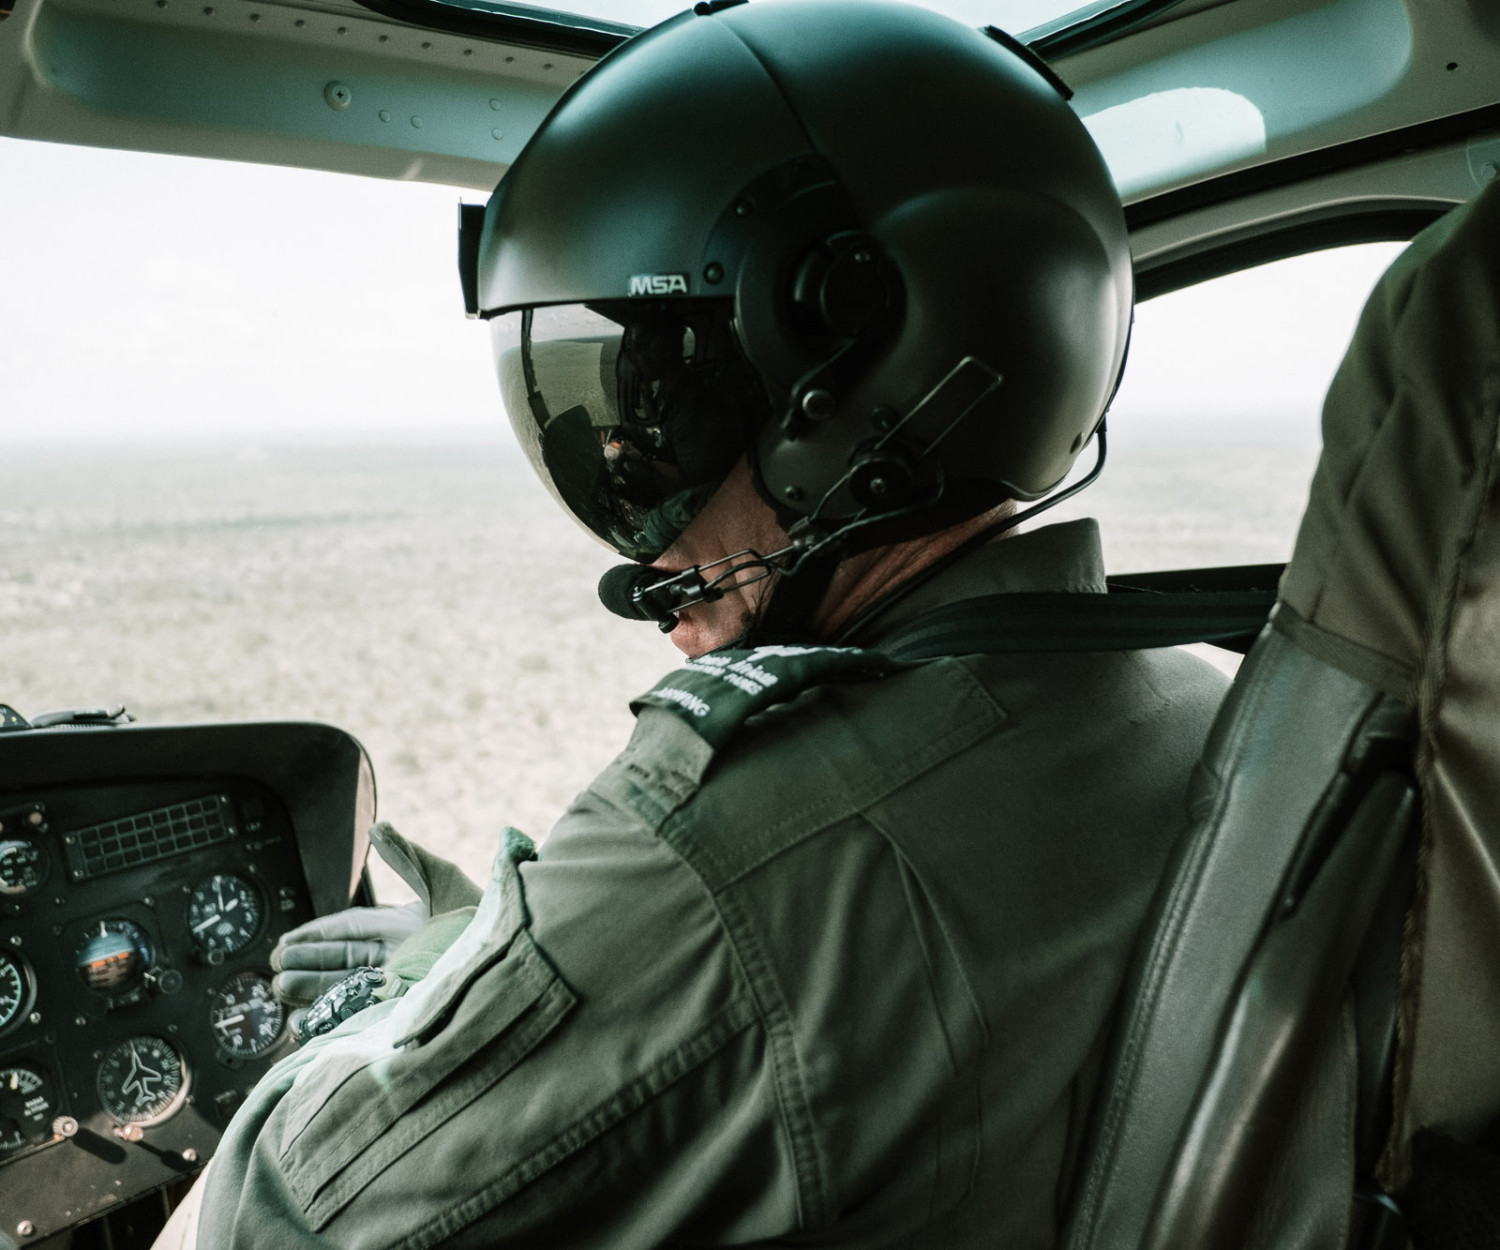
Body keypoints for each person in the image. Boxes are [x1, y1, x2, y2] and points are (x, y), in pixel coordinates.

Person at [158, 2, 1229, 1245]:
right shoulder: (1204, 701)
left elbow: (284, 1215)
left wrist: (437, 994)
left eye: (652, 429)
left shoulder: (726, 856)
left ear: (841, 383)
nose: (643, 535)